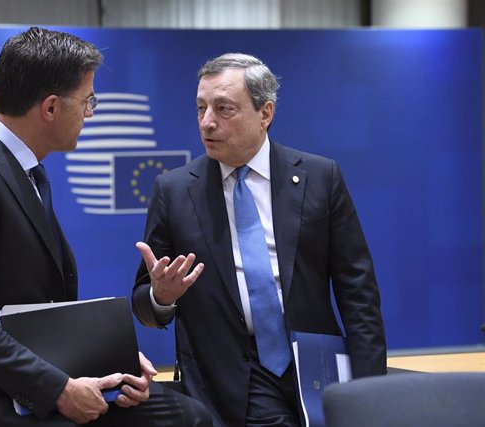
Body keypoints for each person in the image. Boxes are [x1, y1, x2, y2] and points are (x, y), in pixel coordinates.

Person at [0, 27, 211, 427]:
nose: (90, 113)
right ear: (51, 108)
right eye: (87, 100)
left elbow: (35, 311)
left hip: (29, 382)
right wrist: (58, 389)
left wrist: (115, 363)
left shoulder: (23, 171)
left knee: (185, 414)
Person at [132, 53, 387, 427]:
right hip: (227, 375)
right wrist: (163, 297)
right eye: (201, 107)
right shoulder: (174, 190)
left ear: (264, 114)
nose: (207, 122)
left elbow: (358, 292)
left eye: (223, 109)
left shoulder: (320, 177)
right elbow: (143, 303)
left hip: (313, 365)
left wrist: (368, 392)